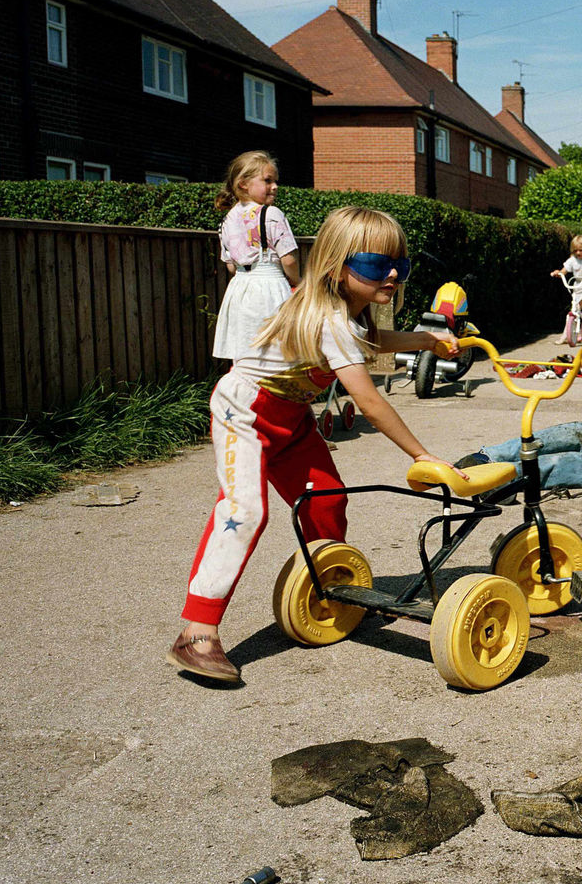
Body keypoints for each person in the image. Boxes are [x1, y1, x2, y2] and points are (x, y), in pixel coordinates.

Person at [168, 207, 459, 684]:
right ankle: (197, 631)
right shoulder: (329, 318)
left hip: (290, 419)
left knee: (326, 498)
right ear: (335, 266)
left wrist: (427, 340)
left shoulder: (349, 315)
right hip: (245, 412)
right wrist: (421, 454)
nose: (390, 274)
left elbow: (374, 339)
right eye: (373, 265)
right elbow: (367, 399)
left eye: (399, 266)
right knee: (244, 511)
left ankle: (331, 588)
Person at [211, 151, 301, 361]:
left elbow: (231, 267)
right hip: (270, 288)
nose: (275, 186)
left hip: (240, 290)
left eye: (275, 181)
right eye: (268, 181)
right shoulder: (271, 214)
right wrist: (298, 282)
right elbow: (288, 259)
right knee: (277, 355)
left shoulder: (226, 220)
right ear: (243, 183)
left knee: (245, 355)